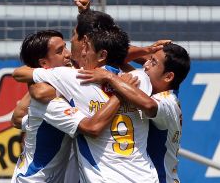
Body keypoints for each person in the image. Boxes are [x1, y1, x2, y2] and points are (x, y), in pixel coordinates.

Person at [12, 13, 159, 182]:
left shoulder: (73, 80)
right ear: (44, 64)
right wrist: (119, 87)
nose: (75, 53)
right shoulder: (139, 79)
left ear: (102, 55)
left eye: (86, 48)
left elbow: (19, 111)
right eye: (61, 51)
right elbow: (35, 96)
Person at [11, 30, 122, 183]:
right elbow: (92, 127)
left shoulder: (57, 83)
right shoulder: (49, 102)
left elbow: (17, 118)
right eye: (60, 51)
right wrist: (120, 94)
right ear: (44, 64)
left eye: (65, 47)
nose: (68, 54)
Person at [77, 42, 190, 183]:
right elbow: (119, 57)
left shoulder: (169, 103)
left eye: (153, 62)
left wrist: (109, 77)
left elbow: (149, 105)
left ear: (168, 77)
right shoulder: (147, 89)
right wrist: (147, 49)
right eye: (148, 59)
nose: (145, 65)